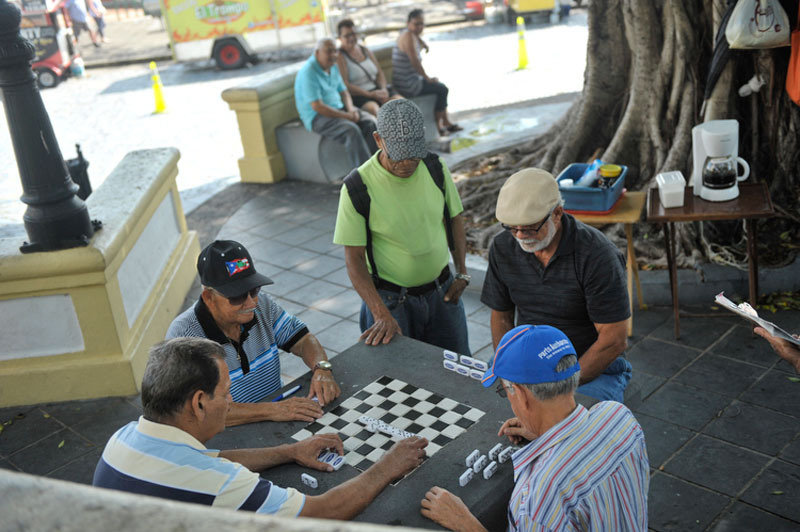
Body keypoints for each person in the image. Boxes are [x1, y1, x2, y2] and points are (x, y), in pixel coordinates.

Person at [93, 337, 428, 519]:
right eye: (225, 394)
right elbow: (323, 512)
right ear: (198, 403)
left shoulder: (121, 440)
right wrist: (387, 467)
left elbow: (213, 458)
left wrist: (289, 451)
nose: (230, 401)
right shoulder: (217, 483)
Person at [420, 325, 649, 531]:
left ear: (520, 394)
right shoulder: (619, 416)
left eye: (505, 391)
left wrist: (465, 524)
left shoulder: (539, 498)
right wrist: (542, 431)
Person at [481, 168, 632, 402]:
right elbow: (501, 317)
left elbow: (613, 340)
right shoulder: (502, 246)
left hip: (588, 366)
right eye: (513, 227)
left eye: (530, 227)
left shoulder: (598, 256)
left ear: (557, 213)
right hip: (528, 360)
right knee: (485, 404)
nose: (520, 236)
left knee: (571, 428)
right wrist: (507, 367)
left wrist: (558, 387)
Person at [333, 99, 470, 355]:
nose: (407, 162)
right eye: (399, 154)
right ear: (378, 140)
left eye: (413, 153)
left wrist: (461, 273)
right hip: (391, 302)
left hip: (443, 292)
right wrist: (380, 312)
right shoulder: (357, 187)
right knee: (400, 382)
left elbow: (454, 219)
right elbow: (354, 258)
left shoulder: (435, 167)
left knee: (459, 372)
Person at [166, 240, 340, 425]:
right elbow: (205, 411)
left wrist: (322, 369)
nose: (251, 303)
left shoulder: (262, 304)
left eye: (254, 290)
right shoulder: (184, 335)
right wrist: (274, 410)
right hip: (227, 435)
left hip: (275, 417)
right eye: (237, 296)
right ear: (209, 297)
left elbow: (303, 340)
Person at [294, 38, 378, 170]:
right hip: (317, 116)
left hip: (339, 109)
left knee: (370, 122)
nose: (333, 55)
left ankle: (378, 166)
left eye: (335, 51)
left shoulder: (332, 66)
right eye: (329, 51)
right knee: (351, 130)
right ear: (317, 52)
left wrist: (351, 110)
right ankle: (363, 175)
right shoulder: (308, 72)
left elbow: (344, 92)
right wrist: (346, 116)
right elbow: (317, 106)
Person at [391, 9, 461, 136]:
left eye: (422, 24)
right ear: (408, 23)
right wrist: (427, 78)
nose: (419, 27)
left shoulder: (410, 34)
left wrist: (424, 43)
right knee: (442, 89)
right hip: (408, 84)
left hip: (411, 79)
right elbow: (415, 62)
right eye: (416, 24)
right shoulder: (407, 36)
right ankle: (439, 126)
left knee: (439, 86)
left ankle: (445, 121)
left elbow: (416, 38)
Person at [336, 19, 402, 117]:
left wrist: (383, 89)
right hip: (360, 95)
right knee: (375, 110)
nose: (351, 38)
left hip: (377, 90)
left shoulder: (364, 50)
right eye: (347, 35)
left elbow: (379, 72)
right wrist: (369, 94)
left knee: (402, 104)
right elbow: (345, 84)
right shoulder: (340, 56)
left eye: (353, 34)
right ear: (340, 38)